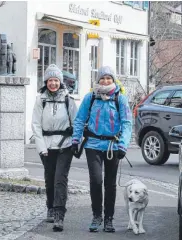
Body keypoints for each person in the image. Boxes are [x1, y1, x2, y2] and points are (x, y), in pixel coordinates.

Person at [71, 66, 132, 233]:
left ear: (113, 80)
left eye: (109, 78)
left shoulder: (120, 98)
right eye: (102, 78)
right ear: (98, 80)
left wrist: (123, 144)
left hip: (113, 145)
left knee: (110, 184)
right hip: (93, 145)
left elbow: (127, 123)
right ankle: (96, 215)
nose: (105, 81)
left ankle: (109, 219)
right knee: (96, 181)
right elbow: (79, 119)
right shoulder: (90, 97)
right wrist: (75, 140)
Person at [31, 64, 78, 232]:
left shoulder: (68, 100)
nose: (53, 83)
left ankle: (59, 214)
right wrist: (41, 148)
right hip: (46, 146)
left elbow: (77, 122)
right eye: (50, 80)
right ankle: (50, 207)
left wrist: (75, 141)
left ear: (60, 82)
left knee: (60, 179)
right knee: (49, 179)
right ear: (46, 81)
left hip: (65, 145)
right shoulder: (40, 100)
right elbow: (35, 125)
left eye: (56, 80)